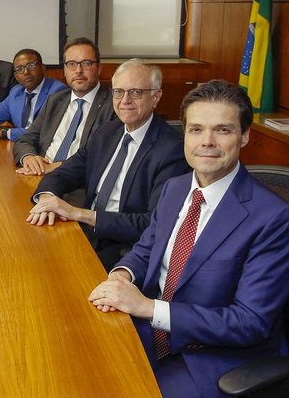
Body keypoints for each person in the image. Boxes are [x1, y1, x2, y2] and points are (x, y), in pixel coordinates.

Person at [88, 80, 289, 398]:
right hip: (151, 329)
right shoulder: (175, 188)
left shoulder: (274, 218)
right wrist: (122, 275)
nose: (207, 142)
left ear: (244, 136)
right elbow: (147, 249)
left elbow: (249, 322)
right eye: (196, 129)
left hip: (213, 356)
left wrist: (148, 307)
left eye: (223, 130)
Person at [28, 59, 189, 270]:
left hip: (127, 249)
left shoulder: (172, 150)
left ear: (156, 97)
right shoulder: (107, 132)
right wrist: (47, 199)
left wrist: (79, 213)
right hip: (86, 232)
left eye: (136, 92)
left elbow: (152, 223)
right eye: (118, 92)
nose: (125, 100)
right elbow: (63, 173)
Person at [12, 37, 115, 175]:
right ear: (65, 70)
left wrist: (56, 167)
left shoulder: (114, 106)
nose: (78, 70)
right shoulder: (55, 100)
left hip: (76, 181)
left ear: (99, 68)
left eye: (86, 63)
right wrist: (29, 157)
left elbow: (103, 158)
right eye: (71, 64)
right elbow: (25, 139)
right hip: (38, 175)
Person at [0, 48, 67, 141]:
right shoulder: (16, 92)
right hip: (21, 144)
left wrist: (5, 133)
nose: (26, 72)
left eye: (31, 66)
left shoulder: (58, 91)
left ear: (42, 68)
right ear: (16, 76)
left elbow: (44, 131)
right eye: (20, 69)